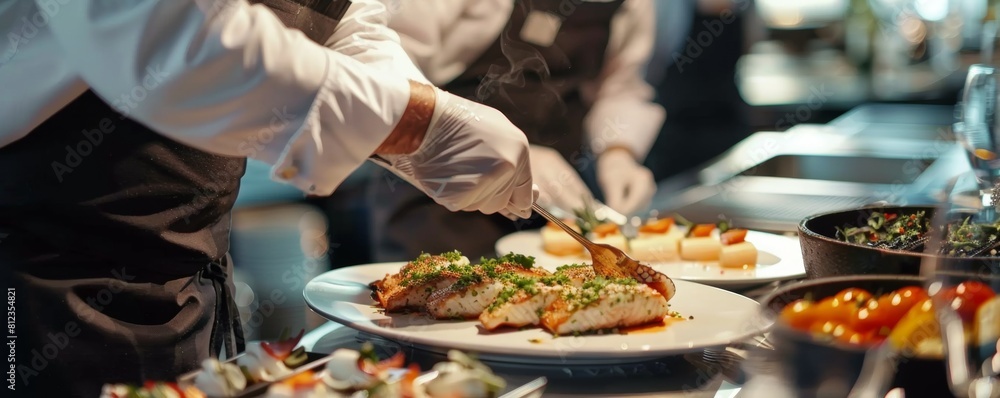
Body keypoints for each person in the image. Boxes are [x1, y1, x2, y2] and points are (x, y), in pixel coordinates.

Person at [0, 1, 534, 396]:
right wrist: (411, 123)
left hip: (188, 270)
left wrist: (425, 110)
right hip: (39, 272)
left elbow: (345, 21)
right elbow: (170, 36)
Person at [369, 0, 665, 261]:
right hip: (437, 200)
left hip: (552, 211)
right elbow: (384, 68)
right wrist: (473, 136)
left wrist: (618, 153)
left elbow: (620, 86)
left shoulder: (632, 4)